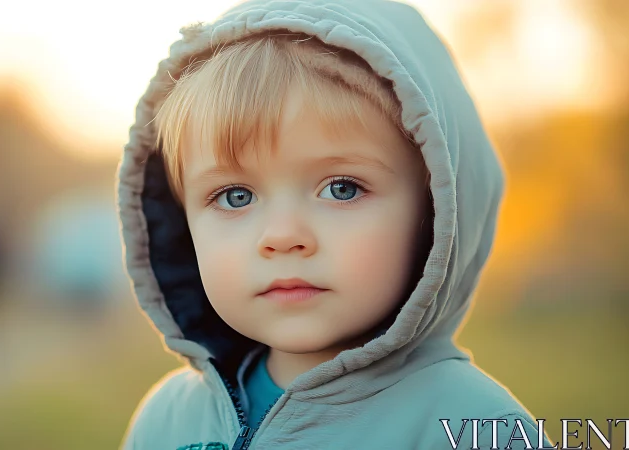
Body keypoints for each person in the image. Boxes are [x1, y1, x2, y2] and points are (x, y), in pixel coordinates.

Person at [118, 1, 554, 448]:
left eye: (341, 189)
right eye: (236, 196)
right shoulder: (168, 422)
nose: (283, 236)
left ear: (435, 212)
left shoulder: (478, 429)